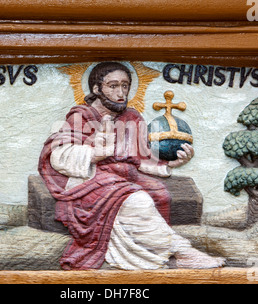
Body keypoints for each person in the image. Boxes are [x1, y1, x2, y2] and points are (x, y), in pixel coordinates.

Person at [38, 62, 225, 270]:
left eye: (125, 86)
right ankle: (183, 251)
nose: (121, 92)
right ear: (97, 89)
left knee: (160, 193)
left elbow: (141, 158)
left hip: (124, 177)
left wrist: (173, 163)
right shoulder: (82, 116)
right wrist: (93, 154)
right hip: (90, 179)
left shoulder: (132, 117)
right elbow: (58, 153)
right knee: (140, 200)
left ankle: (156, 253)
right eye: (113, 86)